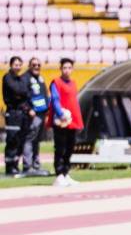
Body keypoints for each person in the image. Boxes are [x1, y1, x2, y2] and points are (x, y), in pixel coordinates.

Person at [49, 57, 84, 187]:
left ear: (72, 69)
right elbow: (55, 99)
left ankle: (65, 173)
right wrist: (60, 113)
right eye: (64, 68)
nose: (67, 70)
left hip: (72, 121)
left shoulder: (73, 83)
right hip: (61, 121)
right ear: (60, 69)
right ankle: (59, 175)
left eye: (69, 68)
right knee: (60, 148)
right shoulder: (56, 82)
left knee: (70, 148)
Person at [19, 58, 50, 177]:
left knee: (37, 140)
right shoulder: (25, 78)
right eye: (34, 65)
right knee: (29, 139)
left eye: (38, 65)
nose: (36, 67)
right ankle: (27, 166)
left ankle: (36, 165)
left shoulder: (40, 78)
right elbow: (21, 97)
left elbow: (44, 94)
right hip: (32, 114)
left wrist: (47, 109)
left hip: (41, 113)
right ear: (29, 66)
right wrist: (28, 109)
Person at [3, 56, 29, 177]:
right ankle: (9, 167)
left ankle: (15, 165)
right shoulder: (7, 77)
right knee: (12, 140)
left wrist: (21, 94)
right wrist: (21, 94)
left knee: (20, 140)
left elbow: (26, 92)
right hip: (12, 113)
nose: (17, 67)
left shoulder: (21, 78)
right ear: (11, 65)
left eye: (19, 65)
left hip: (21, 113)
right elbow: (17, 91)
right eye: (15, 65)